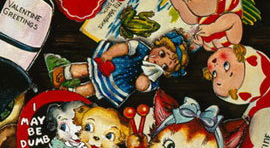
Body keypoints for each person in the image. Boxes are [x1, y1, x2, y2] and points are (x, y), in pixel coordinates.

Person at [48, 30, 189, 107]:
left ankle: (68, 94)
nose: (158, 61)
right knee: (87, 69)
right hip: (111, 65)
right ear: (158, 45)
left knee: (92, 89)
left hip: (116, 85)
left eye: (164, 66)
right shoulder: (141, 48)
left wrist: (148, 74)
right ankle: (62, 73)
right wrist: (108, 55)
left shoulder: (154, 80)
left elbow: (140, 85)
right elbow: (124, 47)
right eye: (162, 54)